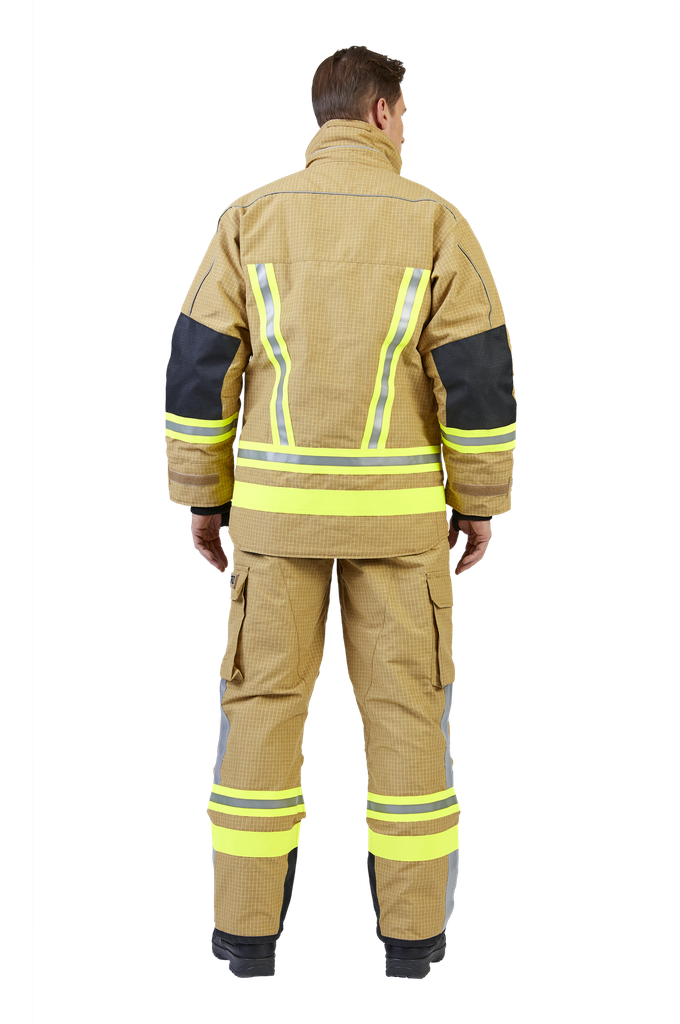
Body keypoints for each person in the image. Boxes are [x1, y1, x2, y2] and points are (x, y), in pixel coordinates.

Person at [163, 44, 517, 980]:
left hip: (273, 526)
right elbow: (477, 380)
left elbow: (200, 370)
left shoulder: (247, 218)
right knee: (407, 715)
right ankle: (413, 947)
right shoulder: (438, 222)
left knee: (260, 710)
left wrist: (202, 497)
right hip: (403, 530)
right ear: (381, 112)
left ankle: (244, 940)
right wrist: (479, 503)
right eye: (406, 114)